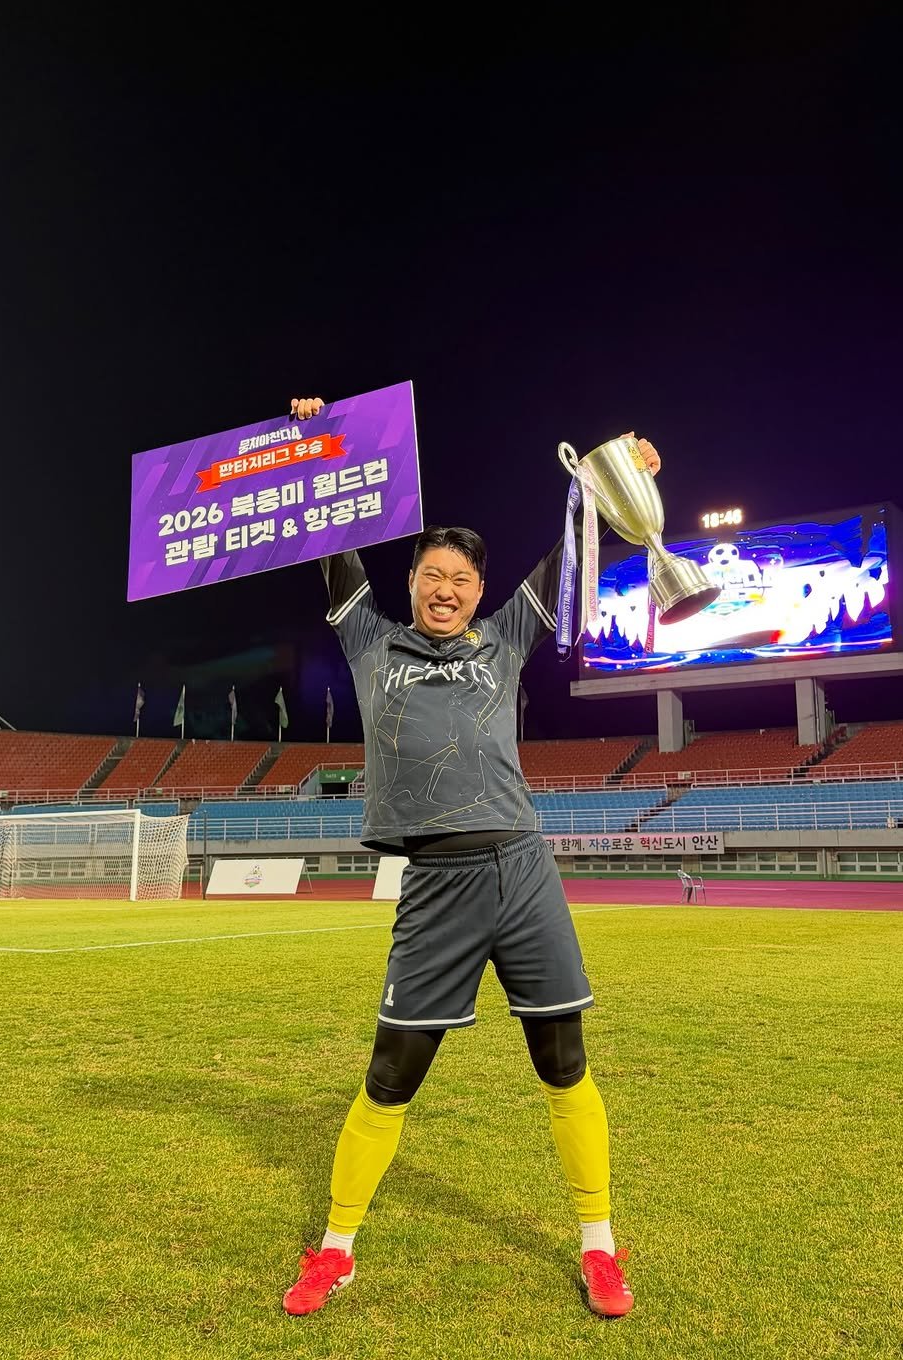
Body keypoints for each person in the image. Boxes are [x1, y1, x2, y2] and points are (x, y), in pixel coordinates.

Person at [282, 395, 660, 1320]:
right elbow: (331, 546)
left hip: (524, 874)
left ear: (478, 591)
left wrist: (623, 488)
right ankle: (336, 1248)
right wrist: (310, 449)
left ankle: (600, 1244)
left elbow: (571, 561)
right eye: (431, 574)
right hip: (438, 886)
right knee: (390, 1072)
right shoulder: (371, 639)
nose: (445, 589)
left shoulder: (505, 637)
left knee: (563, 1059)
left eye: (460, 578)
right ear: (411, 581)